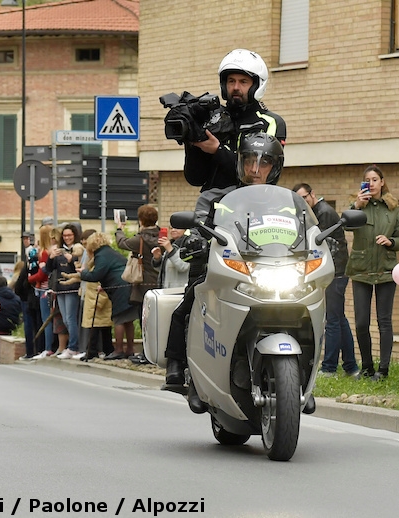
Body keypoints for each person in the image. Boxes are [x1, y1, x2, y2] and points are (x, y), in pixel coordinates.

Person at [164, 132, 284, 410]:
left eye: (264, 162)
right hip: (225, 268)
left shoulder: (284, 202)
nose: (256, 169)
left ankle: (304, 371)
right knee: (191, 302)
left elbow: (304, 229)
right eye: (250, 161)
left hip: (267, 272)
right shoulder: (217, 198)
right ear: (240, 163)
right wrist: (195, 237)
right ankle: (184, 370)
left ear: (274, 167)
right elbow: (198, 225)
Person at [182, 49, 287, 193]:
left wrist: (218, 150)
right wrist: (193, 140)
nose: (236, 87)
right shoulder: (213, 120)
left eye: (243, 82)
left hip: (253, 204)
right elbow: (195, 178)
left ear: (256, 86)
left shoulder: (271, 123)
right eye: (231, 81)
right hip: (212, 207)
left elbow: (257, 176)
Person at [293, 183, 358, 378]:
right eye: (299, 200)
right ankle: (351, 366)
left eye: (304, 198)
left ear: (312, 194)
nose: (302, 202)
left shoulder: (324, 213)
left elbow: (314, 244)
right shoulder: (311, 213)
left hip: (335, 272)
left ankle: (329, 368)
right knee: (339, 318)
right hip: (330, 271)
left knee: (331, 320)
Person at [346, 165, 399, 381]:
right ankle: (367, 367)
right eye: (368, 180)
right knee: (360, 322)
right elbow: (346, 226)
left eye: (375, 179)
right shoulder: (358, 207)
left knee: (384, 321)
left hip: (386, 269)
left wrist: (391, 241)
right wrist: (357, 205)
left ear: (382, 182)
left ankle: (383, 370)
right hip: (361, 270)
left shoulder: (394, 208)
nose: (372, 183)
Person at [73, 232, 136, 360]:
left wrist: (83, 273)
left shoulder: (101, 255)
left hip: (118, 288)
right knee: (128, 320)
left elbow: (96, 275)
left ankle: (118, 350)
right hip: (127, 285)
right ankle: (130, 349)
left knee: (118, 318)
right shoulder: (111, 252)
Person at [115, 205, 159, 362]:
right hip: (160, 283)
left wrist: (119, 228)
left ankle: (147, 355)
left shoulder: (140, 239)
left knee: (144, 320)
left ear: (141, 220)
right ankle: (156, 353)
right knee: (157, 321)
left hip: (143, 284)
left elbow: (122, 243)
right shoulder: (162, 236)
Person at [47, 223, 83, 359]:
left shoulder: (78, 250)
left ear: (75, 236)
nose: (67, 238)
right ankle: (72, 345)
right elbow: (49, 269)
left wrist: (72, 259)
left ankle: (73, 347)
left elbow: (80, 268)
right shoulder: (59, 251)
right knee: (65, 319)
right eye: (65, 235)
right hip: (60, 288)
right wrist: (50, 257)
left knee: (70, 318)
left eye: (70, 235)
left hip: (72, 287)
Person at [29, 224, 55, 358]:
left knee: (46, 319)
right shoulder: (49, 251)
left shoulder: (45, 253)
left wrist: (30, 279)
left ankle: (48, 348)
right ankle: (48, 347)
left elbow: (42, 274)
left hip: (44, 289)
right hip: (47, 288)